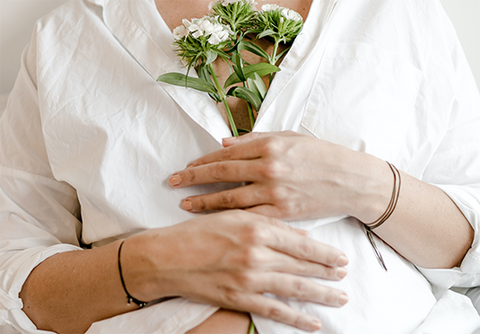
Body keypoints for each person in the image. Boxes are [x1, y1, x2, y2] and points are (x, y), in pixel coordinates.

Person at [1, 0, 480, 333]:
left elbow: (471, 238)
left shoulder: (399, 14)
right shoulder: (65, 41)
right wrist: (150, 264)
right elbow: (13, 269)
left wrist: (368, 186)